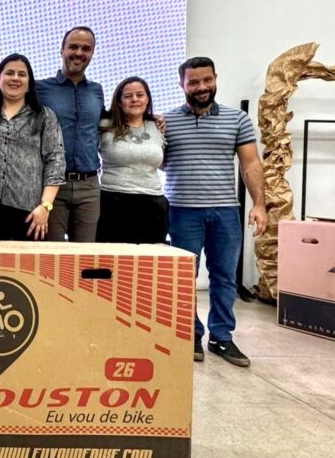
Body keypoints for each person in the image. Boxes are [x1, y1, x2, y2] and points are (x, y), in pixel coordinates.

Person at [163, 57, 266, 367]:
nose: (201, 87)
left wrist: (260, 204)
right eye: (193, 82)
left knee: (224, 278)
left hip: (225, 211)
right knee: (184, 279)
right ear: (181, 84)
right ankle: (190, 334)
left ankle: (221, 336)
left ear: (215, 79)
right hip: (181, 211)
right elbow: (157, 160)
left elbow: (251, 164)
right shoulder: (166, 121)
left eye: (207, 80)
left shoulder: (237, 119)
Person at [0, 54, 65, 241]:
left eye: (22, 74)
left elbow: (55, 162)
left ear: (29, 84)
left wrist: (45, 207)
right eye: (9, 73)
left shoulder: (44, 117)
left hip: (30, 213)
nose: (15, 78)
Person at [36, 26, 105, 242]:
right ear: (62, 50)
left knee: (86, 255)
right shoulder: (40, 88)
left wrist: (152, 118)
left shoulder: (97, 90)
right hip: (53, 185)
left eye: (86, 48)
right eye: (73, 47)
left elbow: (112, 120)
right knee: (53, 255)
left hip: (89, 186)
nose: (79, 53)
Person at [96, 76, 168, 244]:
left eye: (140, 95)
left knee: (149, 259)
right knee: (112, 258)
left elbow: (164, 162)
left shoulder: (158, 126)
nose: (134, 99)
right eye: (128, 96)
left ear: (147, 99)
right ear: (119, 101)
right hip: (112, 204)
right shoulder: (104, 126)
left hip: (153, 205)